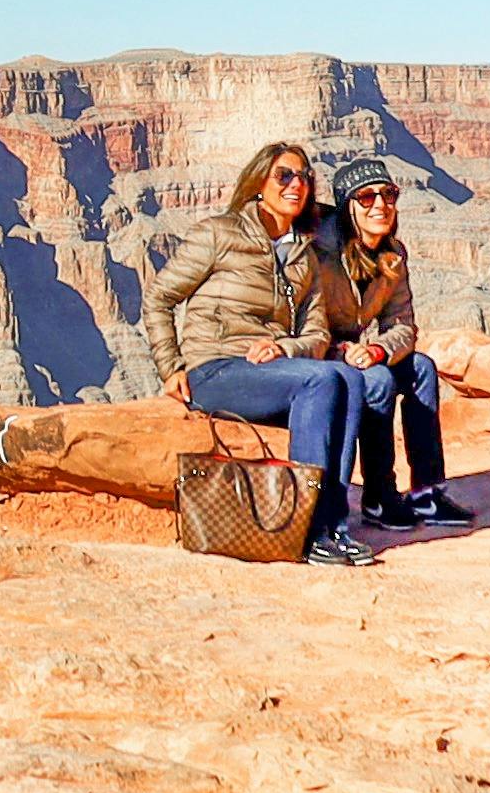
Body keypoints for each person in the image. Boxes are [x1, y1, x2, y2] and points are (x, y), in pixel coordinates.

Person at [146, 142, 379, 567]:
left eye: (305, 177)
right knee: (322, 378)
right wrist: (171, 366)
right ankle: (305, 530)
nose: (297, 185)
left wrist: (284, 347)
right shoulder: (219, 233)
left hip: (270, 370)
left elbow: (316, 332)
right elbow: (159, 298)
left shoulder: (302, 255)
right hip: (215, 368)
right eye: (284, 176)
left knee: (349, 379)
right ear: (259, 184)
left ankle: (333, 525)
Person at [318, 157, 471, 529]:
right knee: (379, 382)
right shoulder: (320, 253)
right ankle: (379, 495)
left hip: (360, 353)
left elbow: (402, 324)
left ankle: (426, 493)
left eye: (388, 194)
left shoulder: (393, 255)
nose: (380, 205)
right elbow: (299, 321)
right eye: (366, 197)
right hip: (317, 353)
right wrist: (341, 350)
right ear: (347, 206)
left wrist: (378, 350)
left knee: (421, 368)